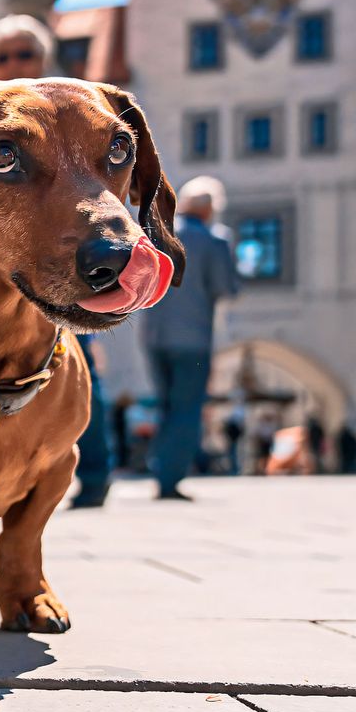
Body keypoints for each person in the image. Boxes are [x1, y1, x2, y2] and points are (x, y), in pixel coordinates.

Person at [0, 13, 112, 506]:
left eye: (25, 54)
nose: (14, 64)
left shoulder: (69, 116)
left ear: (44, 60)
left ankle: (94, 473)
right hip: (1, 272)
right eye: (3, 56)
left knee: (79, 369)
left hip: (64, 260)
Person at [140, 173, 238, 501]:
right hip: (192, 340)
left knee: (166, 405)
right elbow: (226, 288)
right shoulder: (215, 240)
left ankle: (159, 468)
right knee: (186, 408)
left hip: (154, 335)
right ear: (209, 210)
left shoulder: (159, 232)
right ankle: (169, 477)